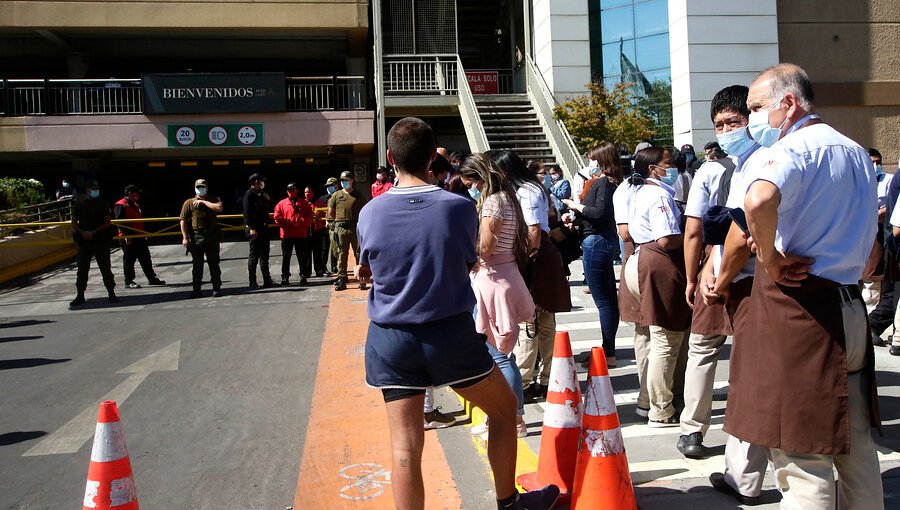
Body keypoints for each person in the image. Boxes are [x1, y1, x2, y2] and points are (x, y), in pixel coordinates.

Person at [356, 117, 559, 510]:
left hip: (390, 338)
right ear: (433, 157)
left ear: (389, 157)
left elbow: (368, 268)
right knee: (501, 411)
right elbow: (470, 259)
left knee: (405, 444)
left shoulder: (370, 212)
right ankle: (508, 502)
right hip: (449, 333)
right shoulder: (458, 207)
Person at [725, 63, 883, 509]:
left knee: (801, 455)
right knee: (854, 446)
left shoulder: (794, 148)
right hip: (849, 302)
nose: (752, 117)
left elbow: (757, 199)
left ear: (788, 104)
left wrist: (771, 260)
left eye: (757, 108)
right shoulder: (854, 150)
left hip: (802, 309)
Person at [677, 85, 756, 458]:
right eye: (719, 125)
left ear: (752, 119)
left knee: (704, 351)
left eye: (733, 122)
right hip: (737, 272)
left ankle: (694, 428)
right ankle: (743, 435)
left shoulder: (712, 170)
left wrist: (695, 277)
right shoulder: (770, 160)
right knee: (734, 353)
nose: (726, 132)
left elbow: (694, 230)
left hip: (728, 272)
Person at [459, 153, 535, 438]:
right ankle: (506, 417)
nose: (471, 188)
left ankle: (513, 418)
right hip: (507, 276)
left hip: (492, 281)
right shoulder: (509, 199)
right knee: (501, 353)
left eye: (471, 183)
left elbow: (487, 247)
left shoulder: (492, 202)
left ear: (480, 177)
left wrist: (465, 242)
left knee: (498, 355)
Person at [492, 150, 571, 403]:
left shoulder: (525, 191)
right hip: (541, 256)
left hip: (534, 258)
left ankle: (525, 381)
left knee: (530, 322)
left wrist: (523, 263)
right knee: (544, 323)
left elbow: (533, 231)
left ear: (503, 170)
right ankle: (546, 378)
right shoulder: (530, 188)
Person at [623, 146, 691, 427]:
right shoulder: (660, 194)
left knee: (650, 338)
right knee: (666, 340)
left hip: (639, 260)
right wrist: (690, 233)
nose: (673, 168)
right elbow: (666, 238)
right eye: (668, 164)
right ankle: (661, 409)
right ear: (653, 169)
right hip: (657, 262)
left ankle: (646, 401)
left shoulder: (638, 191)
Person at [563, 141, 621, 369]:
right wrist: (575, 217)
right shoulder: (609, 183)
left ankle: (608, 352)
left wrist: (575, 207)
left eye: (593, 159)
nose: (590, 164)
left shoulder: (604, 184)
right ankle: (609, 351)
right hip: (598, 241)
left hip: (596, 242)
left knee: (604, 301)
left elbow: (598, 213)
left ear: (603, 160)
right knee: (606, 300)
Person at [69, 180, 117, 307]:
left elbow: (107, 222)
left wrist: (94, 232)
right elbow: (74, 222)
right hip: (84, 241)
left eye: (97, 189)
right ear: (87, 190)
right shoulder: (79, 204)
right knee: (82, 269)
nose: (96, 191)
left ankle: (111, 293)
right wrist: (83, 233)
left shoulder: (102, 204)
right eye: (93, 189)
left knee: (105, 268)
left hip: (100, 239)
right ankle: (80, 295)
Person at [113, 184, 165, 289]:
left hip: (139, 236)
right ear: (129, 193)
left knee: (145, 258)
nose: (137, 195)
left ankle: (152, 278)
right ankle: (129, 281)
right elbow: (119, 222)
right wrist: (127, 236)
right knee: (129, 260)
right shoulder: (121, 205)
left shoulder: (135, 205)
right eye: (135, 193)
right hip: (128, 238)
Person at [180, 179, 224, 298]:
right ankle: (196, 289)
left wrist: (204, 203)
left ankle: (216, 288)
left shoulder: (214, 199)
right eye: (198, 187)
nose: (200, 189)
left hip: (212, 236)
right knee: (197, 264)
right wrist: (185, 237)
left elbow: (219, 208)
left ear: (207, 187)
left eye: (202, 187)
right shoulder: (189, 202)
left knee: (214, 263)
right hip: (196, 236)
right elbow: (182, 220)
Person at [327, 170, 367, 291]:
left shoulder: (358, 195)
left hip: (355, 227)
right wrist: (334, 223)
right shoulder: (336, 195)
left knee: (358, 253)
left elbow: (364, 210)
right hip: (341, 227)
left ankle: (362, 278)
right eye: (342, 180)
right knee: (341, 253)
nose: (344, 182)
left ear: (351, 181)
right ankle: (342, 278)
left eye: (346, 180)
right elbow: (331, 211)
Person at [274, 182, 313, 286]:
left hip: (300, 234)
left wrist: (302, 221)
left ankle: (303, 275)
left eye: (293, 190)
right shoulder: (281, 204)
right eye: (289, 190)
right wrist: (285, 222)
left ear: (297, 190)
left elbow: (310, 215)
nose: (291, 192)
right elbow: (277, 217)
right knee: (286, 256)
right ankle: (285, 277)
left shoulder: (303, 203)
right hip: (287, 235)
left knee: (302, 256)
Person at [243, 173, 277, 289]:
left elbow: (271, 206)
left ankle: (267, 280)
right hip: (254, 229)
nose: (262, 184)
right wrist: (251, 228)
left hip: (263, 229)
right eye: (260, 181)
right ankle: (252, 281)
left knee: (265, 256)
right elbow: (247, 214)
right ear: (255, 182)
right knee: (254, 256)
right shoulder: (249, 195)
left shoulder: (262, 194)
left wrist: (269, 199)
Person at [304, 186, 329, 278]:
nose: (307, 194)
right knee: (306, 252)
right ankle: (306, 272)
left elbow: (325, 215)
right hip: (306, 231)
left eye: (309, 192)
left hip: (318, 230)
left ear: (313, 192)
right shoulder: (302, 203)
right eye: (306, 192)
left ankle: (319, 270)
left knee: (318, 252)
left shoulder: (320, 203)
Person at [319, 177, 339, 276]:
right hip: (325, 226)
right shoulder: (322, 199)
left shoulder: (341, 196)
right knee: (324, 247)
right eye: (328, 186)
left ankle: (334, 266)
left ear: (336, 186)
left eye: (331, 186)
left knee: (335, 247)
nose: (329, 188)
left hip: (337, 225)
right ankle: (323, 268)